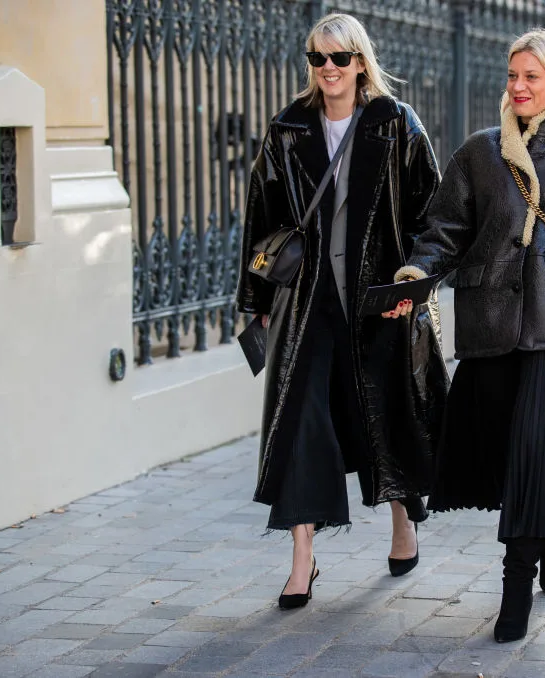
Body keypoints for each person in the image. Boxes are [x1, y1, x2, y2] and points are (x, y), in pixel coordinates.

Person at [385, 29, 545, 643]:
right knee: (512, 459)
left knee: (538, 452)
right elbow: (444, 229)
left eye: (533, 76)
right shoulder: (480, 152)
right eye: (513, 76)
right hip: (489, 328)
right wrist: (415, 274)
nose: (520, 87)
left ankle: (514, 592)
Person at [235, 12, 448, 610]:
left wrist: (414, 286)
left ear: (361, 61)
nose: (329, 69)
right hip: (307, 304)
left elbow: (428, 213)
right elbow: (261, 218)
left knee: (384, 411)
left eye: (340, 57)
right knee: (302, 419)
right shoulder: (287, 129)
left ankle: (403, 521)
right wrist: (257, 302)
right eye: (318, 58)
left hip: (377, 301)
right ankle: (302, 560)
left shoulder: (395, 125)